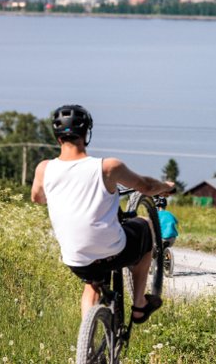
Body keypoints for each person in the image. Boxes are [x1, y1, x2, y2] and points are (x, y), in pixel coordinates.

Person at [30, 104, 174, 324]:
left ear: (57, 138)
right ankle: (139, 305)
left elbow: (37, 198)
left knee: (92, 283)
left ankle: (86, 341)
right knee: (145, 226)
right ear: (86, 134)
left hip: (76, 259)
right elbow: (145, 186)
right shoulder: (108, 167)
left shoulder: (44, 169)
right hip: (113, 250)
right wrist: (165, 186)